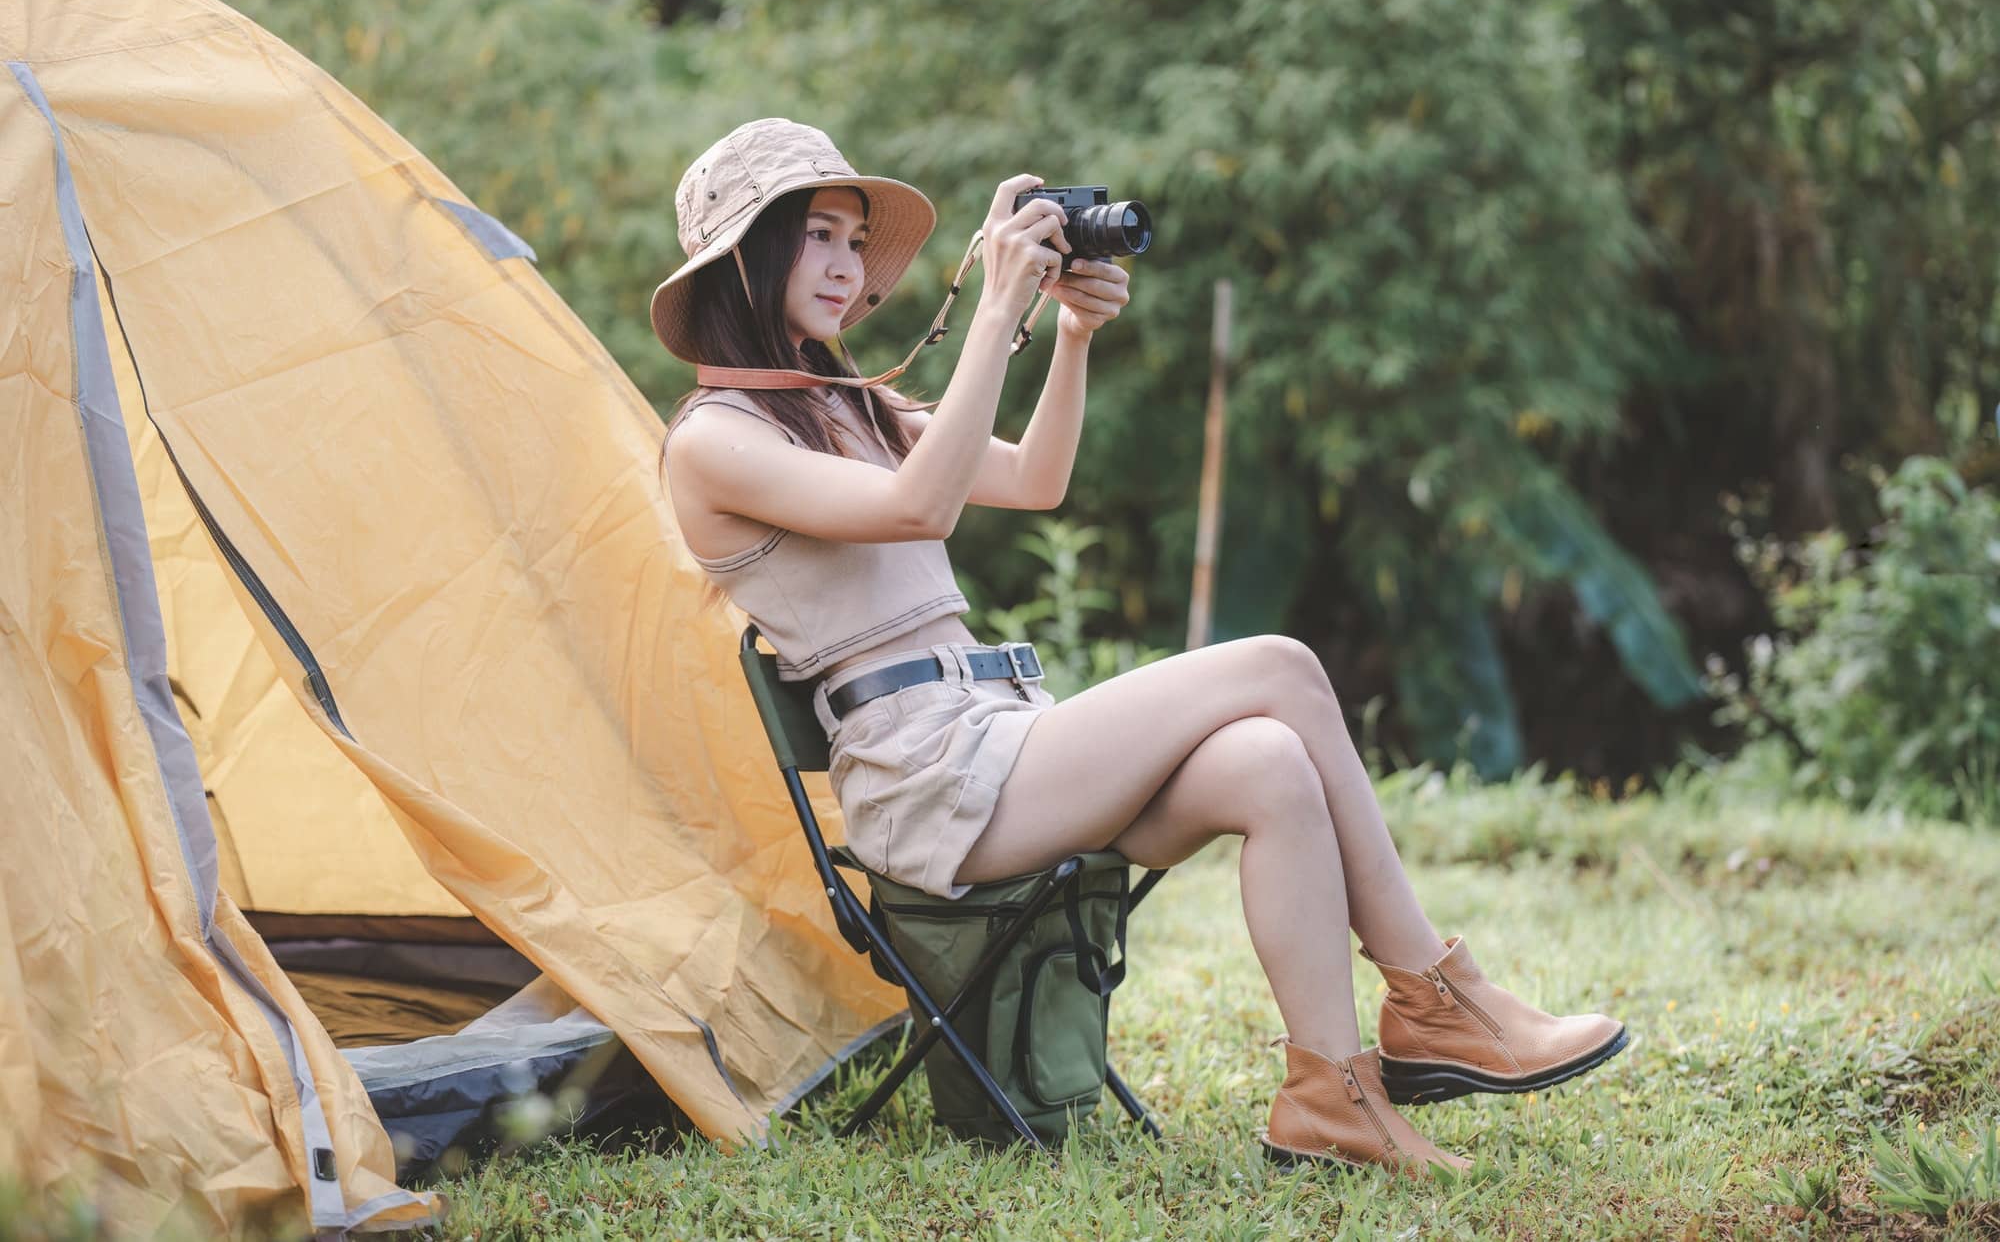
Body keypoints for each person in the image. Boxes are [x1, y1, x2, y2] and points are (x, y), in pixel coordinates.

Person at [653, 118, 1628, 1176]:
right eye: (816, 239)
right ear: (743, 259)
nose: (845, 267)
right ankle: (1437, 998)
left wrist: (1065, 336)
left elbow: (1032, 480)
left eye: (853, 241)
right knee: (1279, 666)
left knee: (1268, 762)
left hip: (992, 739)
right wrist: (995, 308)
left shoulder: (849, 408)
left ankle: (1328, 1093)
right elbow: (917, 508)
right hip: (926, 785)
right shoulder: (715, 441)